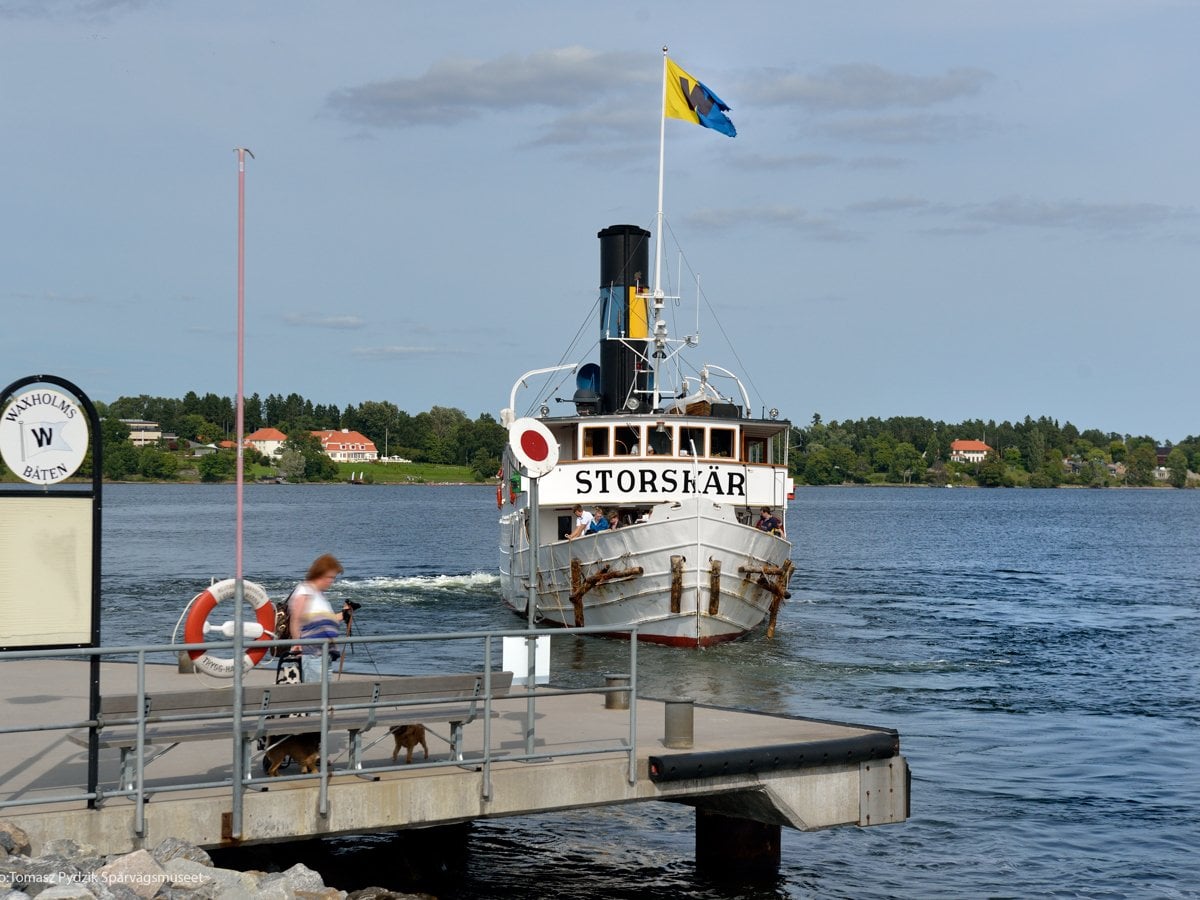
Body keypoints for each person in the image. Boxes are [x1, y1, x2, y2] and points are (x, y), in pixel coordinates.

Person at [288, 553, 352, 682]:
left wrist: (345, 613)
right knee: (317, 693)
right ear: (319, 574)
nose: (331, 581)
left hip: (325, 653)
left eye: (333, 578)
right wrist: (298, 643)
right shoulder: (304, 590)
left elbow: (326, 621)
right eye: (329, 577)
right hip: (312, 653)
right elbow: (295, 619)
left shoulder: (320, 596)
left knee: (324, 693)